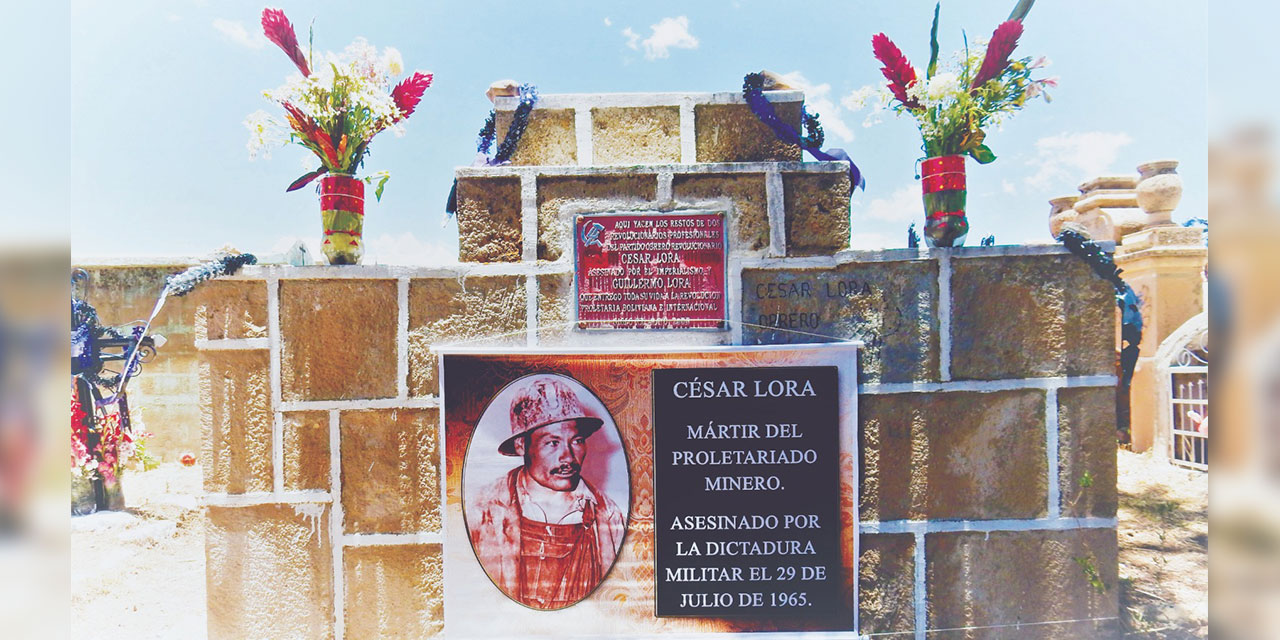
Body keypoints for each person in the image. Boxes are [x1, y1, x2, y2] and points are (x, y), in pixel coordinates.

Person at [467, 375, 627, 610]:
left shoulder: (608, 515)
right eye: (552, 443)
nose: (568, 458)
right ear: (522, 445)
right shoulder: (484, 510)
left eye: (577, 441)